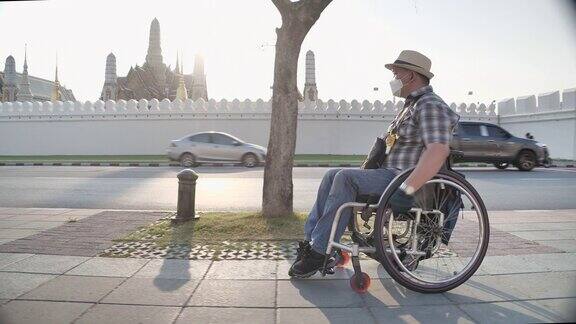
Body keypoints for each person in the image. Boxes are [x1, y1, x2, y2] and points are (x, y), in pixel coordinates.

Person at [289, 50, 461, 278]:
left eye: (396, 72)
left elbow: (438, 150)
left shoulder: (430, 105)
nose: (393, 78)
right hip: (389, 174)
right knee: (333, 174)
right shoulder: (411, 106)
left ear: (410, 75)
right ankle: (314, 243)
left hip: (402, 178)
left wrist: (407, 188)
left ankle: (320, 251)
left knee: (345, 178)